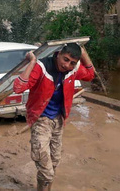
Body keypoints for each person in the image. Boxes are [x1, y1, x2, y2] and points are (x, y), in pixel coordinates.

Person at [13, 43, 94, 191]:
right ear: (59, 54)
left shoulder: (72, 69)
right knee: (47, 171)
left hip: (59, 119)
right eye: (65, 59)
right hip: (41, 119)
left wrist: (83, 52)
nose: (67, 65)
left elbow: (90, 74)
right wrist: (32, 62)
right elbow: (18, 87)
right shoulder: (42, 67)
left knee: (54, 162)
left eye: (72, 63)